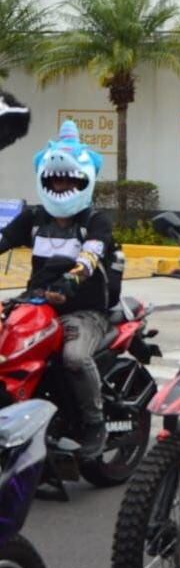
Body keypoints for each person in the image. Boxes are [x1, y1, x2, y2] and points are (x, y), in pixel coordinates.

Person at [0, 121, 114, 457]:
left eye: (68, 180)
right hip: (36, 305)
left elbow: (90, 256)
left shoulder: (94, 221)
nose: (61, 184)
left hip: (83, 311)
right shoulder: (34, 219)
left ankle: (95, 423)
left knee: (74, 358)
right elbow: (3, 238)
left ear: (83, 180)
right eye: (55, 180)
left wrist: (70, 281)